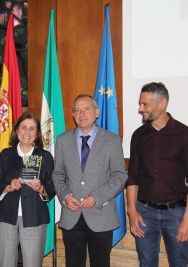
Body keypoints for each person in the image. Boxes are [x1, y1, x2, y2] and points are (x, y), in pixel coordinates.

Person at [126, 82, 188, 267]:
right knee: (146, 263)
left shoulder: (186, 135)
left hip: (176, 213)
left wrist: (187, 219)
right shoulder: (138, 136)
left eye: (145, 104)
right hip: (144, 212)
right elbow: (133, 176)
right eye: (140, 103)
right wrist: (132, 211)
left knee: (179, 263)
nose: (140, 109)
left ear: (162, 103)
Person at [52, 94, 128, 267]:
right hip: (71, 215)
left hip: (100, 214)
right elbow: (57, 174)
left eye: (86, 108)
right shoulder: (63, 140)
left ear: (97, 112)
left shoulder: (111, 140)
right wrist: (65, 196)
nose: (82, 113)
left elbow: (120, 175)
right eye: (77, 110)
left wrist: (96, 197)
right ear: (73, 115)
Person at [0, 111, 56, 267]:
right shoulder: (6, 155)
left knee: (32, 263)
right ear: (17, 130)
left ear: (37, 133)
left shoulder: (45, 157)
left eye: (32, 129)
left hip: (34, 217)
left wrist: (41, 189)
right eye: (24, 127)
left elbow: (53, 187)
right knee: (6, 263)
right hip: (6, 217)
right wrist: (7, 187)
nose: (27, 132)